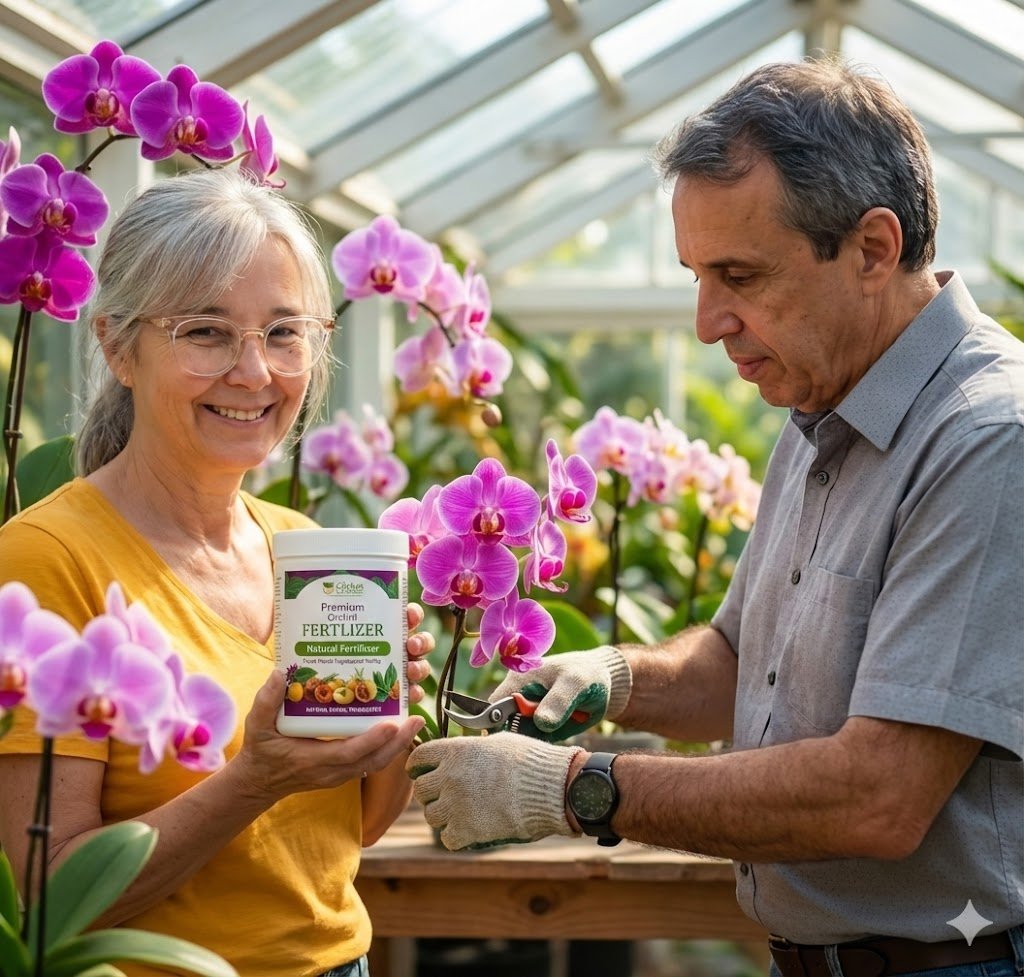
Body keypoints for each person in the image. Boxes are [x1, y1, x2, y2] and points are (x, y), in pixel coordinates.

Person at [407, 58, 1024, 977]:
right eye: (698, 274)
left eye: (738, 274)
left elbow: (879, 797)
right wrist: (619, 677)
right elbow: (742, 661)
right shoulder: (821, 403)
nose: (706, 321)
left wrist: (575, 788)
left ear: (872, 248)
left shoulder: (987, 440)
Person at [0, 168, 433, 977]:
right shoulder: (47, 562)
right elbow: (42, 899)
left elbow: (353, 830)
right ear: (118, 347)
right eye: (205, 331)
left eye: (283, 332)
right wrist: (250, 780)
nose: (254, 372)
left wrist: (390, 719)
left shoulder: (301, 549)